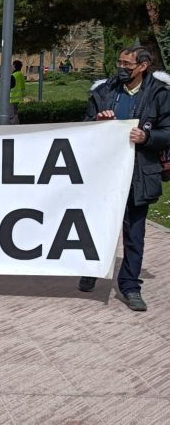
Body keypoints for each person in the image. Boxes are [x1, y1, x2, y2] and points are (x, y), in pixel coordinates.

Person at [78, 47, 170, 311]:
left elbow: (168, 131)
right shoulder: (104, 91)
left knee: (134, 233)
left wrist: (147, 137)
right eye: (119, 62)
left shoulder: (160, 95)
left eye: (127, 63)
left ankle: (130, 286)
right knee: (95, 226)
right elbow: (85, 125)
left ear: (143, 66)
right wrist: (97, 120)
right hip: (104, 173)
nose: (121, 67)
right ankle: (90, 270)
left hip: (139, 173)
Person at [8, 60, 26, 124]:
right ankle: (17, 126)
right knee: (15, 114)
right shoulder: (20, 74)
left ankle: (14, 128)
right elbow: (22, 86)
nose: (11, 67)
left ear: (14, 66)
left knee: (11, 115)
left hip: (11, 98)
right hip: (18, 98)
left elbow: (9, 87)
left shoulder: (13, 76)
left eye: (12, 65)